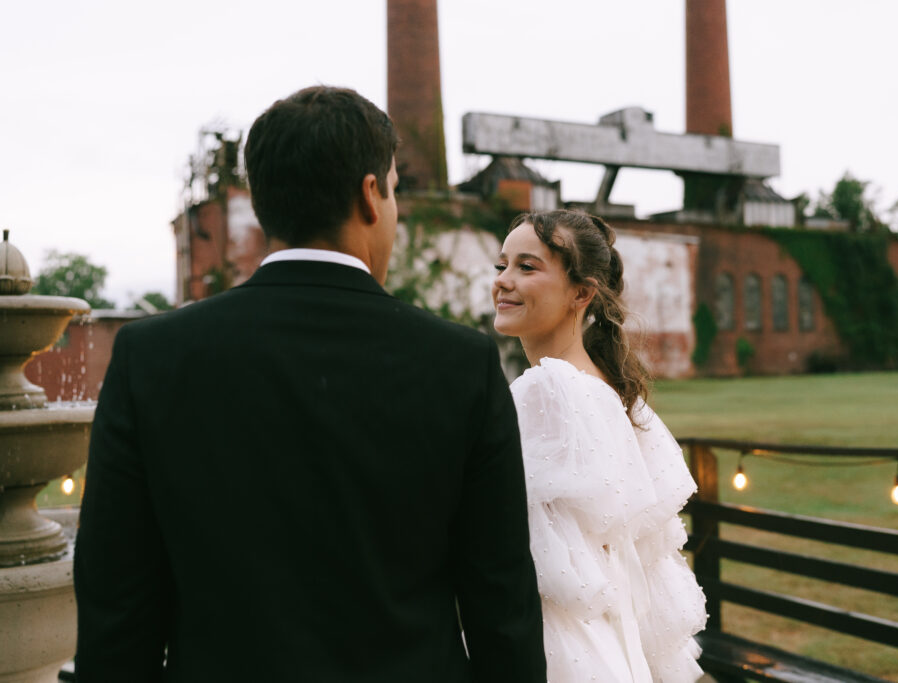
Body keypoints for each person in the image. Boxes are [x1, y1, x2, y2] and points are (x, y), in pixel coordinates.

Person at [74, 86, 546, 683]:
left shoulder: (150, 356)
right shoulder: (463, 364)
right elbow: (501, 608)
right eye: (396, 189)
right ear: (371, 195)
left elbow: (117, 603)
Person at [492, 209, 706, 682]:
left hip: (554, 649)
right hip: (610, 647)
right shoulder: (611, 392)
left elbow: (513, 552)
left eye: (527, 267)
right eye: (501, 265)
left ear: (582, 292)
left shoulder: (548, 389)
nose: (504, 281)